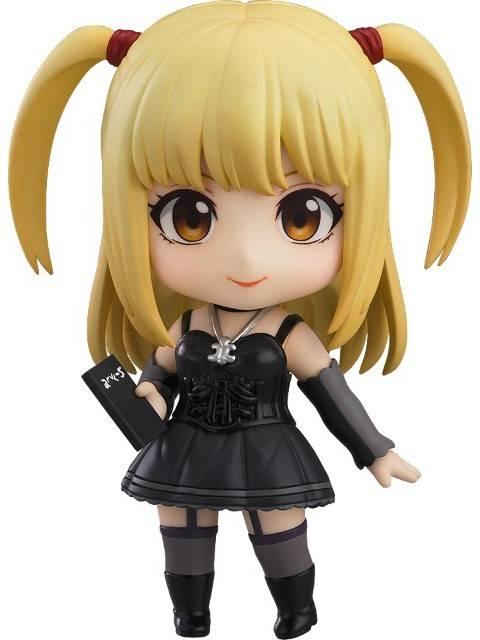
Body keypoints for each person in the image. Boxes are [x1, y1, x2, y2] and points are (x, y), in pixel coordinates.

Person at [9, 1, 470, 638]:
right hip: (186, 442)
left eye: (303, 215)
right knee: (179, 521)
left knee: (277, 523)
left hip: (265, 444)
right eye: (189, 216)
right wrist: (148, 390)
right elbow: (161, 369)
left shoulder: (288, 334)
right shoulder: (189, 324)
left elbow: (333, 395)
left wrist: (375, 451)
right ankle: (190, 611)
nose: (248, 258)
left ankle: (296, 608)